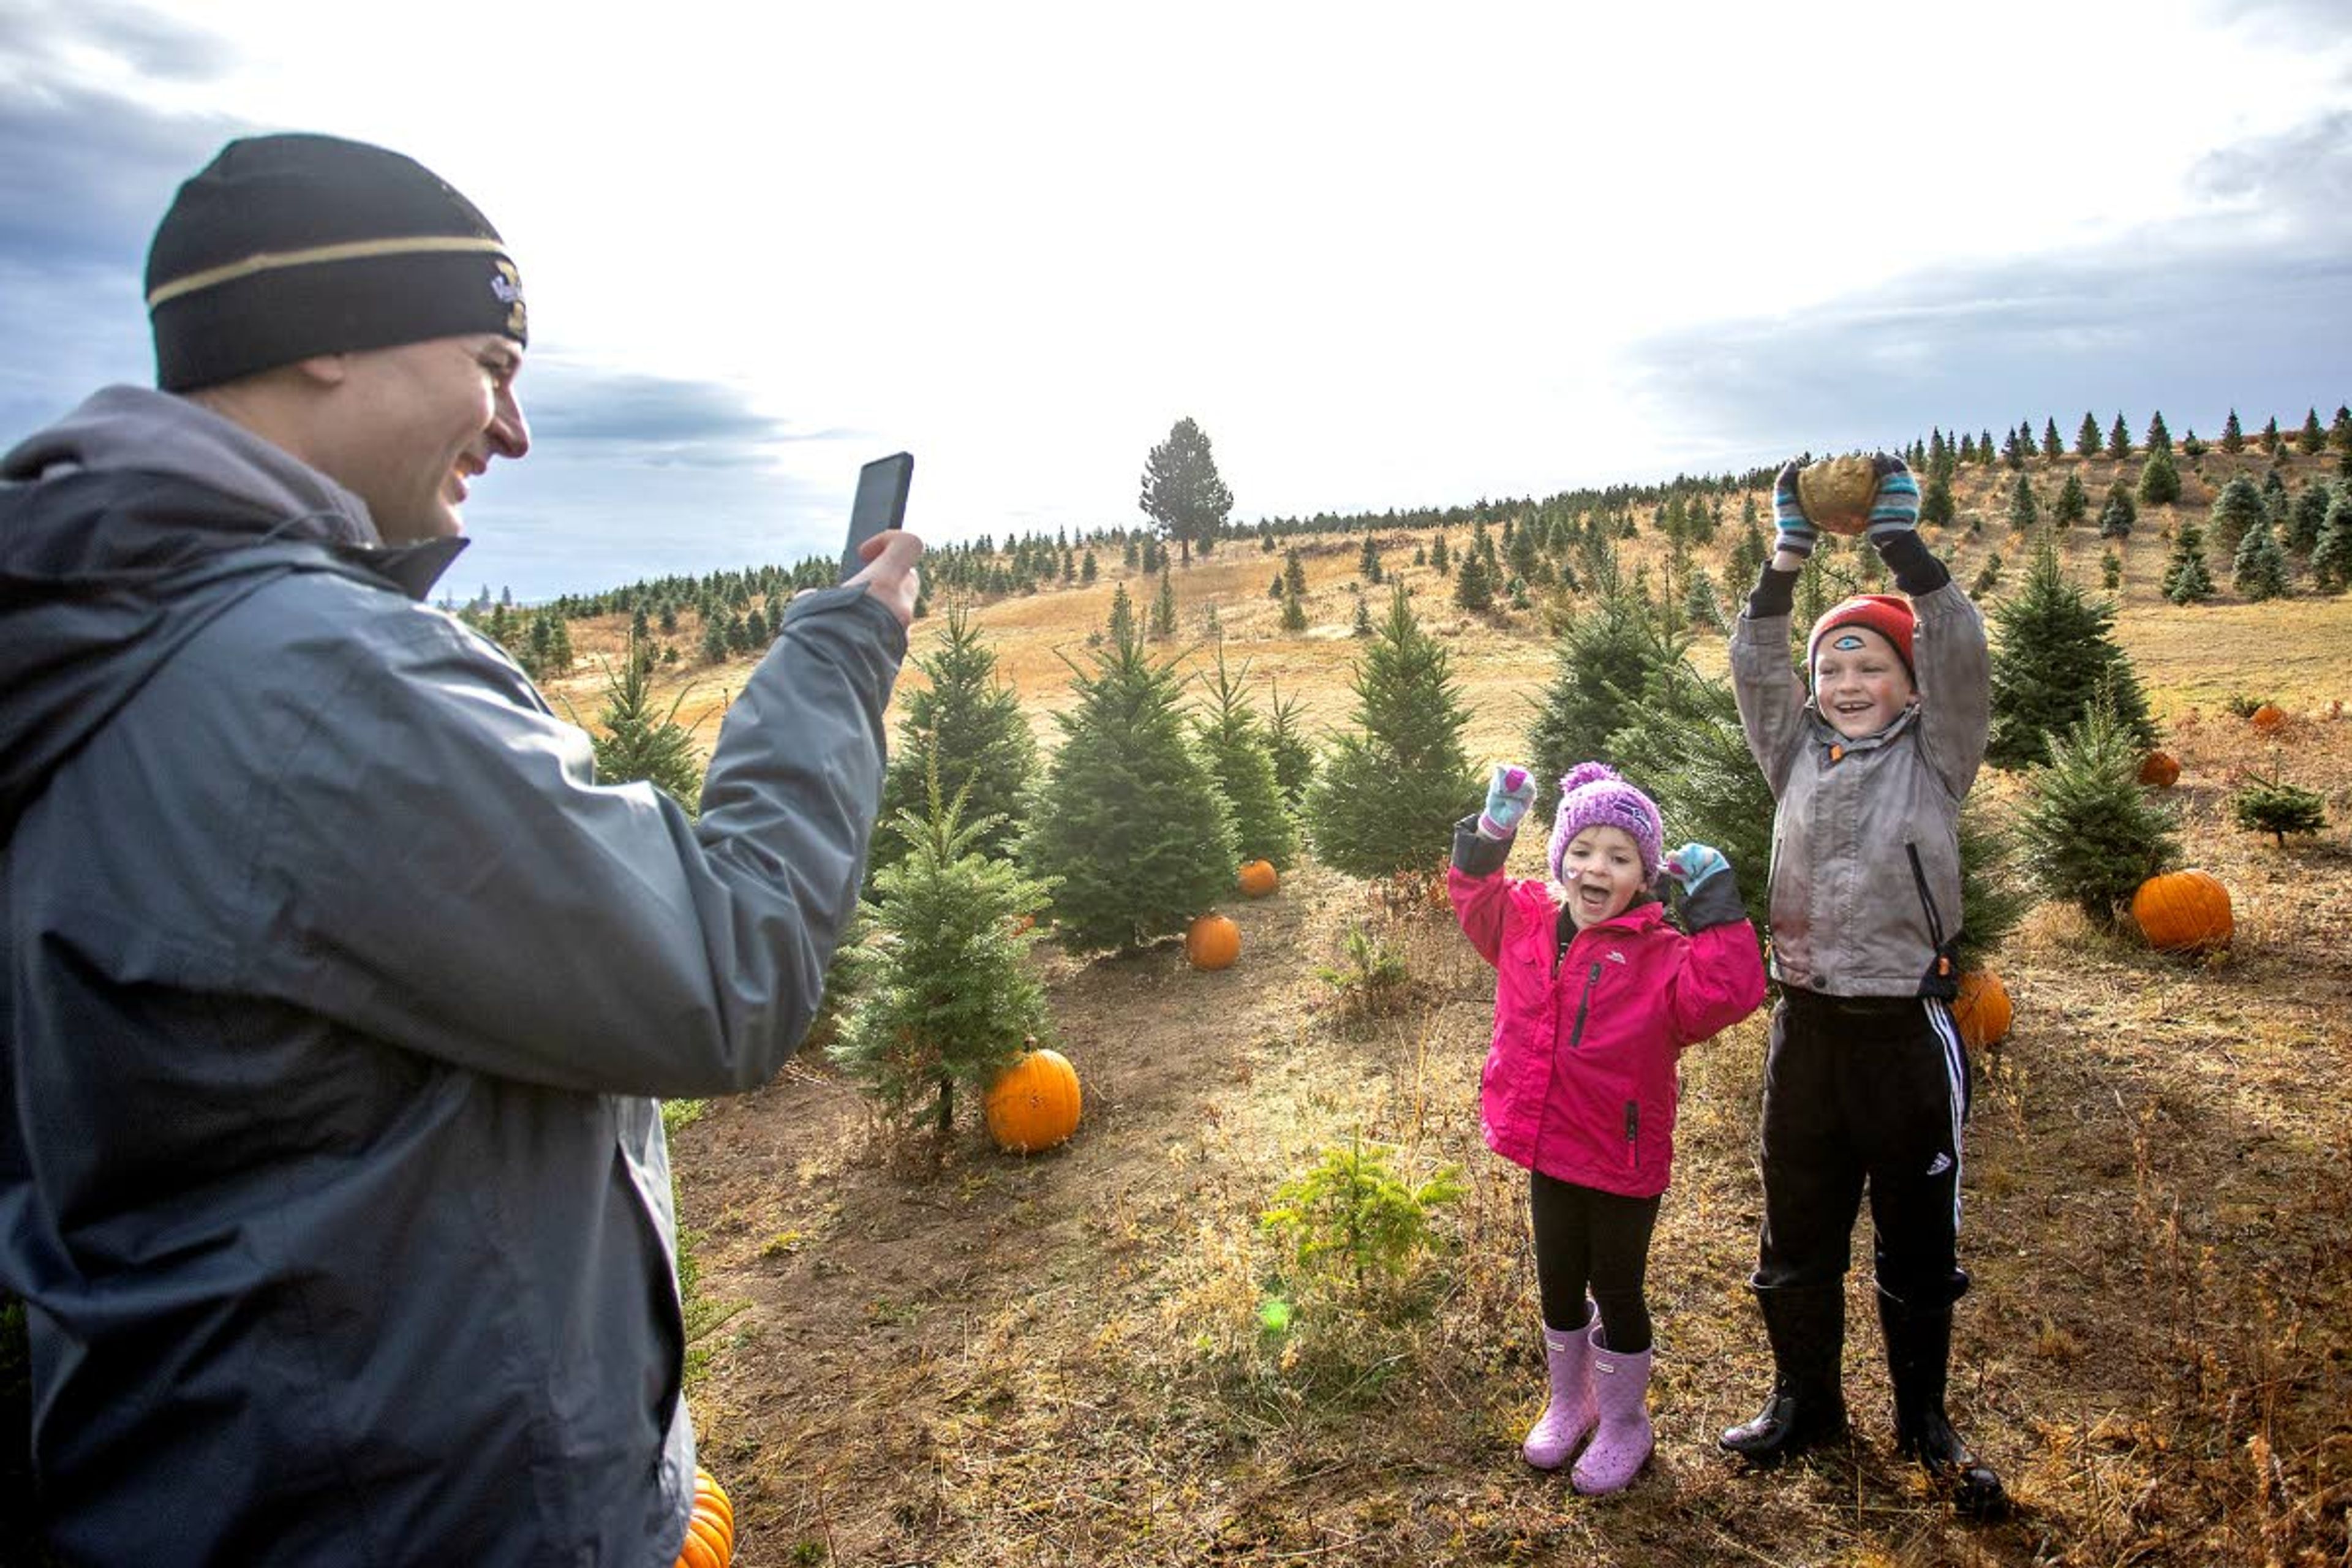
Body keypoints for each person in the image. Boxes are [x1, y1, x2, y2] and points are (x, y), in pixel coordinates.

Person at [0, 132, 919, 1566]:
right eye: (491, 361)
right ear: (322, 341)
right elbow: (728, 962)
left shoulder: (90, 640)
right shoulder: (307, 685)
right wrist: (841, 648)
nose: (514, 428)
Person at [1719, 454, 2005, 1517]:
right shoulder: (1792, 752)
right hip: (1808, 1030)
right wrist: (1787, 558)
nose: (1845, 684)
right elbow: (1754, 662)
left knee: (1918, 1236)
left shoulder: (1940, 753)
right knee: (1796, 1227)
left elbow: (1964, 648)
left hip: (1904, 1034)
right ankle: (1806, 1406)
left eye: (1869, 667)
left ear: (1910, 683)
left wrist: (1900, 547)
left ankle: (1924, 1421)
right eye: (1830, 667)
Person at [1449, 761, 1765, 1494]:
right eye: (1584, 850)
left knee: (1616, 1287)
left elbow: (1731, 989)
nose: (1598, 868)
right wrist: (1494, 829)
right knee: (1558, 1279)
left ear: (1645, 878)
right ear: (1560, 857)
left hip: (1621, 1158)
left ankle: (1625, 1420)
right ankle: (1571, 1399)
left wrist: (1716, 906)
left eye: (1621, 857)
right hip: (1547, 1144)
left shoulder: (1662, 958)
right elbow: (1473, 897)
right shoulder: (1525, 921)